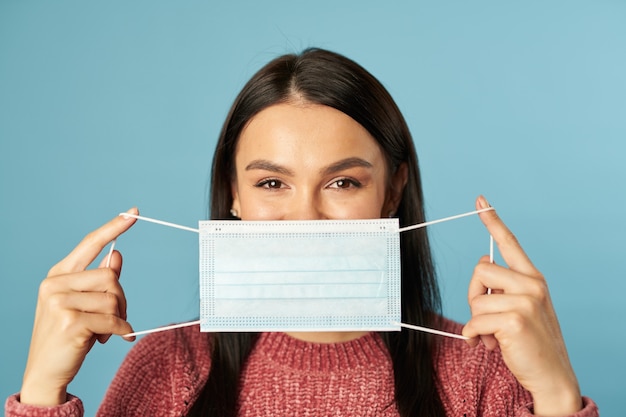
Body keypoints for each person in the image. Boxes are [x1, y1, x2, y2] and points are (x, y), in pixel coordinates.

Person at [6, 48, 598, 417]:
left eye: (342, 183)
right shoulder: (170, 367)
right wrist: (41, 392)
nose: (308, 220)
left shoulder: (477, 370)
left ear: (392, 191)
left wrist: (554, 394)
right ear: (232, 195)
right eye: (271, 185)